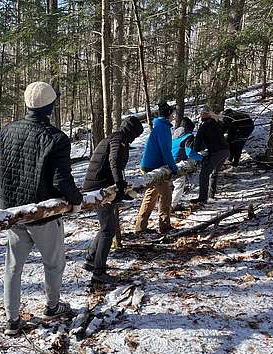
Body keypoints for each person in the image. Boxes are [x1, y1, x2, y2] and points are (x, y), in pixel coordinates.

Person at [0, 81, 83, 337]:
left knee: (13, 268)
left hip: (13, 212)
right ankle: (52, 306)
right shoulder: (56, 138)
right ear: (50, 106)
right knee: (54, 263)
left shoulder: (7, 130)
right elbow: (61, 180)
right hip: (42, 212)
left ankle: (12, 319)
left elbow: (5, 171)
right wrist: (75, 201)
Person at [83, 115, 144, 283]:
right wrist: (119, 185)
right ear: (132, 131)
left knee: (106, 226)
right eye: (136, 135)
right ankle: (99, 271)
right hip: (99, 187)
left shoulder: (115, 137)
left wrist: (121, 186)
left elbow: (114, 166)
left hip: (99, 184)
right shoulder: (119, 139)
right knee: (108, 229)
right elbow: (114, 162)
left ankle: (91, 259)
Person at [135, 101, 178, 233]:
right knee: (166, 195)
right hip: (153, 168)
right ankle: (164, 227)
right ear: (169, 114)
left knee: (151, 195)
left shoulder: (159, 126)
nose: (173, 116)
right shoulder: (163, 128)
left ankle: (140, 227)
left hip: (149, 165)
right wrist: (173, 167)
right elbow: (166, 150)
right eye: (172, 113)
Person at [191, 107, 230, 204]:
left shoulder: (203, 127)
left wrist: (195, 152)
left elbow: (197, 143)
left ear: (203, 116)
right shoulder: (216, 123)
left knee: (204, 173)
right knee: (214, 172)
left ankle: (202, 198)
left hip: (217, 152)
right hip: (225, 151)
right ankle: (211, 194)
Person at [170, 116, 202, 210]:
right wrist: (200, 158)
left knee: (167, 184)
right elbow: (190, 152)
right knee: (179, 184)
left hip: (169, 161)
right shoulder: (188, 136)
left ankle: (164, 204)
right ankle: (173, 206)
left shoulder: (175, 136)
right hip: (178, 163)